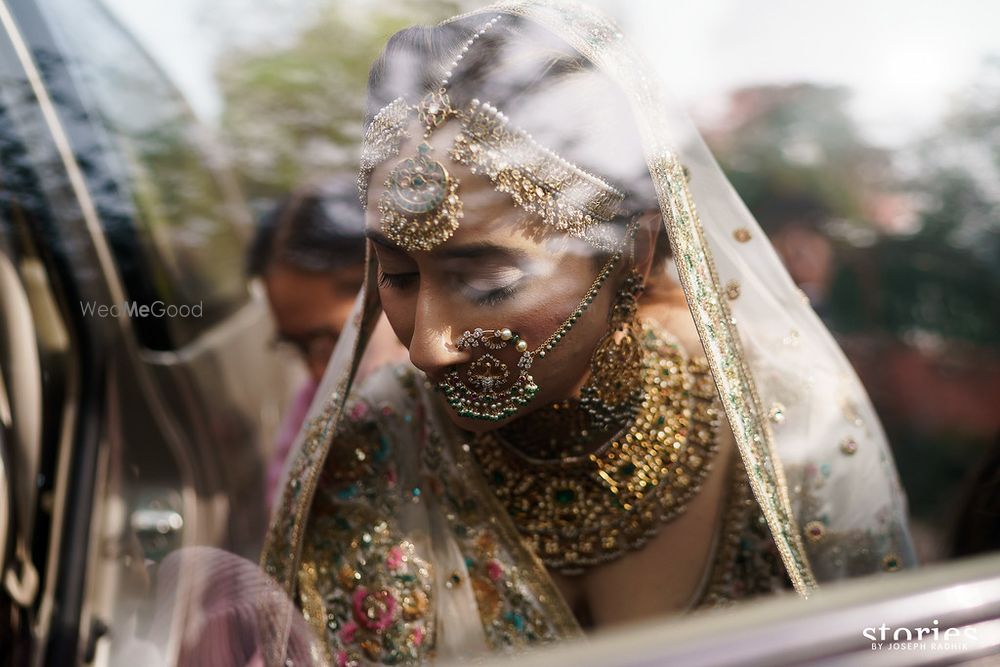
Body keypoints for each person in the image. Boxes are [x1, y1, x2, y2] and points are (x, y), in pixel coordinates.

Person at [261, 3, 917, 664]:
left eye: (486, 282)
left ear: (634, 249)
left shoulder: (790, 429)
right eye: (398, 276)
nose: (428, 348)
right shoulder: (374, 448)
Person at [247, 179, 403, 510]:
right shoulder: (310, 416)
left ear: (383, 286)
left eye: (329, 342)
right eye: (299, 347)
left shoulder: (463, 393)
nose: (317, 370)